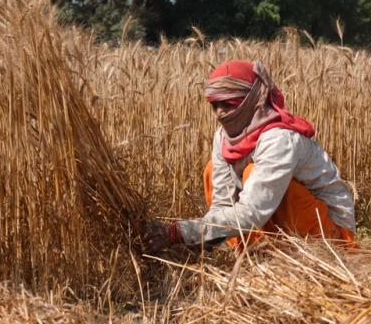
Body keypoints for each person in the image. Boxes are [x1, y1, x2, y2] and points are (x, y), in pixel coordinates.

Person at [143, 60, 356, 253]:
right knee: (211, 169)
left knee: (250, 173)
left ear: (253, 98)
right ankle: (256, 249)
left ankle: (284, 250)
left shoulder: (278, 139)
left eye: (228, 103)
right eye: (214, 105)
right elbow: (222, 205)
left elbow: (253, 212)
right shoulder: (223, 138)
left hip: (329, 233)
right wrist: (199, 240)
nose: (219, 112)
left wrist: (181, 232)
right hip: (269, 221)